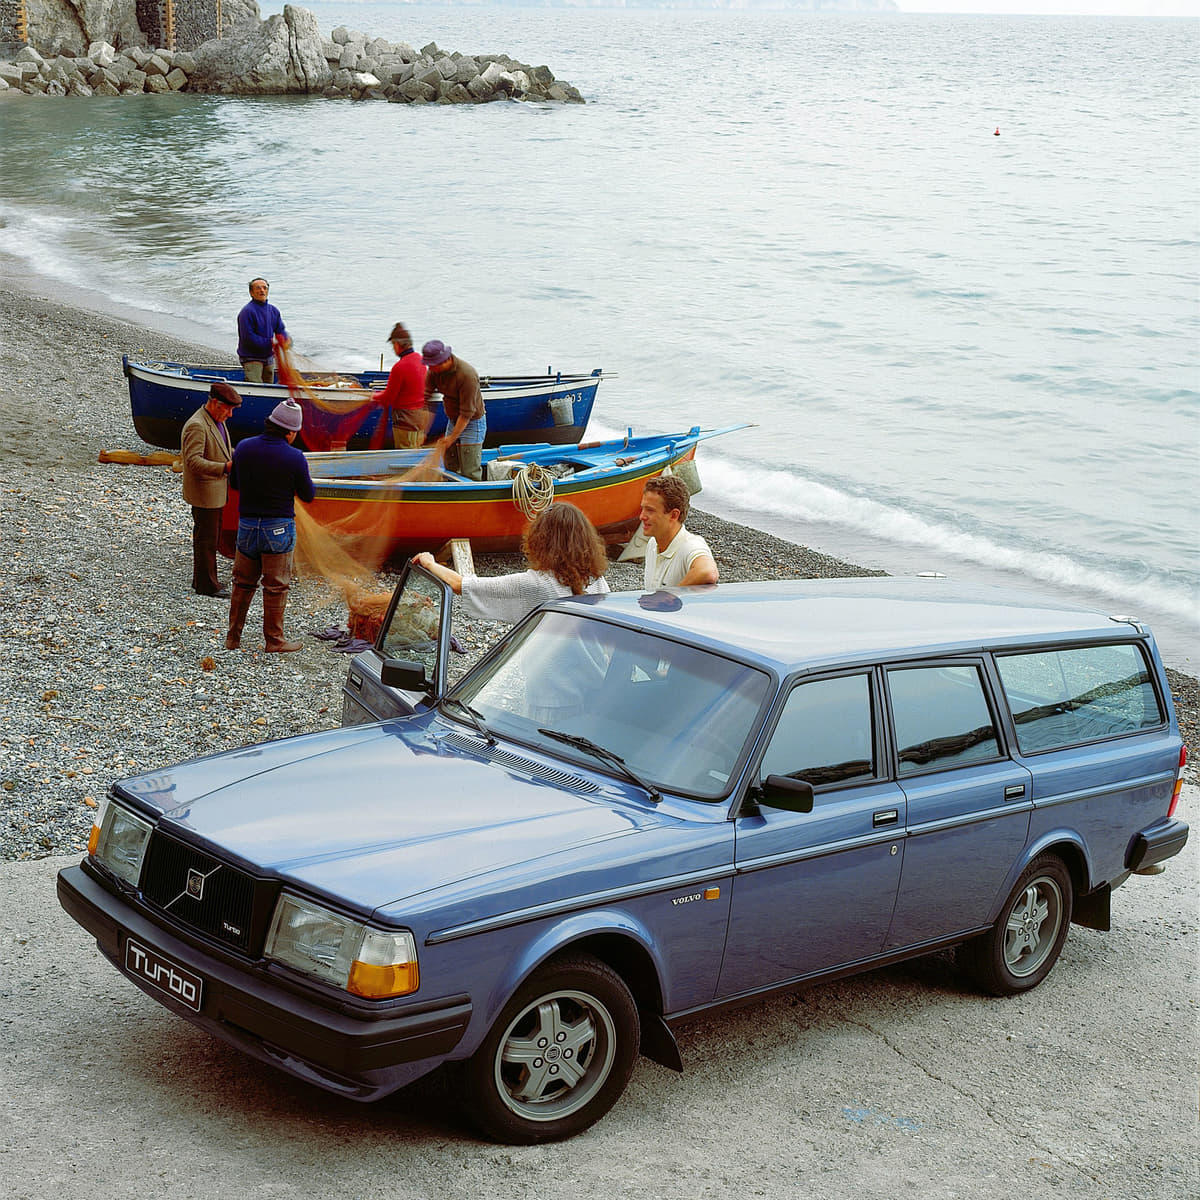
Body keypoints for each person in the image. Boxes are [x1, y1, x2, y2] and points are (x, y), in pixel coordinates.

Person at [412, 501, 609, 624]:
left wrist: (430, 563)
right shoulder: (596, 580)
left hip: (554, 682)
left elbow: (460, 585)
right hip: (593, 677)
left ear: (541, 540)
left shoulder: (536, 583)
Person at [225, 399, 316, 653]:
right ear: (289, 431)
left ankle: (232, 638)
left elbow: (234, 484)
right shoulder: (295, 457)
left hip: (247, 526)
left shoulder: (243, 448)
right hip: (278, 528)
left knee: (242, 582)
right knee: (275, 586)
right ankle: (274, 640)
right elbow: (308, 495)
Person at [180, 380, 241, 598]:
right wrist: (225, 467)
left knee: (211, 538)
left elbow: (224, 449)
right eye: (229, 409)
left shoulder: (216, 421)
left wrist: (241, 454)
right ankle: (206, 586)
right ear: (216, 403)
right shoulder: (197, 425)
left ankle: (207, 579)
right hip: (205, 494)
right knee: (205, 540)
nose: (230, 415)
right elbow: (192, 462)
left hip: (216, 492)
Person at [631, 474, 719, 588]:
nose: (642, 516)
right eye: (643, 509)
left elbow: (708, 572)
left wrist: (672, 595)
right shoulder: (653, 544)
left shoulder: (691, 546)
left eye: (650, 510)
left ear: (673, 515)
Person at [422, 339, 486, 481]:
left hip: (472, 422)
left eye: (433, 365)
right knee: (450, 465)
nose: (430, 369)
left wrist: (451, 438)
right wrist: (423, 431)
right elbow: (427, 401)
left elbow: (466, 413)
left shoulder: (467, 375)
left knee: (470, 470)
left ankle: (472, 498)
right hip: (453, 419)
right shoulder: (433, 372)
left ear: (446, 360)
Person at [375, 322, 429, 449]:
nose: (393, 349)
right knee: (415, 455)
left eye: (393, 345)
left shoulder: (399, 367)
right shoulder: (421, 360)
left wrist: (373, 396)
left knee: (404, 454)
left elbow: (389, 397)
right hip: (419, 420)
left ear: (397, 344)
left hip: (405, 422)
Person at [237, 277, 290, 383]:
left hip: (268, 356)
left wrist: (284, 339)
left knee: (269, 384)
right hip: (251, 357)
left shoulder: (273, 310)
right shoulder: (247, 312)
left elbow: (280, 329)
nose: (262, 290)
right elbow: (248, 338)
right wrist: (270, 342)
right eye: (258, 288)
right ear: (251, 293)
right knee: (255, 385)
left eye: (265, 288)